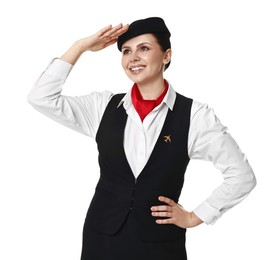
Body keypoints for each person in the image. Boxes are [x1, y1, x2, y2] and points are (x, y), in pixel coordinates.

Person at [28, 17, 256, 260]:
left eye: (144, 49)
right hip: (102, 240)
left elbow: (242, 176)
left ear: (166, 56)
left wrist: (195, 216)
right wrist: (80, 47)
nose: (133, 58)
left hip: (160, 245)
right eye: (127, 51)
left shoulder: (196, 116)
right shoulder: (102, 107)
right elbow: (41, 97)